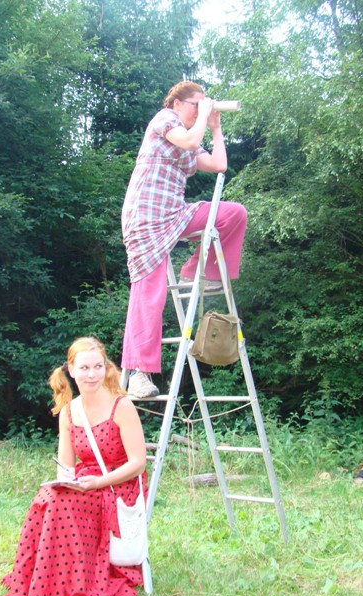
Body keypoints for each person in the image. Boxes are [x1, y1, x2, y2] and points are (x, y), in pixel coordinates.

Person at [1, 336, 147, 596]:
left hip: (118, 484)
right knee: (46, 500)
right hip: (85, 481)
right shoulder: (69, 411)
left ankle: (39, 593)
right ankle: (26, 594)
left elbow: (137, 463)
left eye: (98, 367)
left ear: (106, 368)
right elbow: (66, 467)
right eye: (84, 368)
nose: (92, 374)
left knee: (61, 505)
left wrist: (97, 483)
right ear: (71, 370)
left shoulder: (122, 406)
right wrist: (65, 483)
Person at [121, 80, 247, 398]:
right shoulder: (165, 120)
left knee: (233, 214)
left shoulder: (193, 135)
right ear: (177, 104)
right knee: (151, 294)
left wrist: (215, 127)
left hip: (175, 214)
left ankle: (200, 273)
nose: (198, 110)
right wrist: (204, 115)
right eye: (195, 104)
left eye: (202, 104)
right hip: (146, 217)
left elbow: (219, 164)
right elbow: (190, 141)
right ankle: (138, 373)